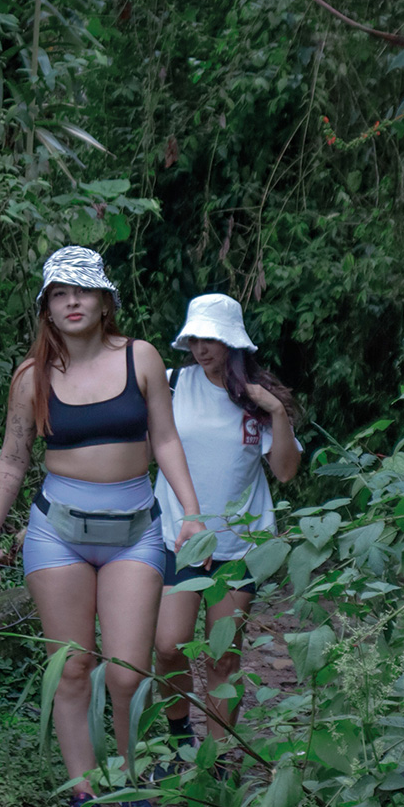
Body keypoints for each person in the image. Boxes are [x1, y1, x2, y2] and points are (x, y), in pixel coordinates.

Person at [0, 246, 206, 807]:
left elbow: (167, 441)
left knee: (127, 671)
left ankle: (132, 783)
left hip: (134, 529)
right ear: (47, 309)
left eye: (83, 290)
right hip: (58, 533)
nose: (72, 301)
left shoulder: (143, 358)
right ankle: (84, 797)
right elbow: (13, 459)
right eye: (59, 293)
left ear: (105, 301)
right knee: (73, 667)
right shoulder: (31, 377)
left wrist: (192, 513)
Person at [153, 293, 301, 773]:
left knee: (222, 658)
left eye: (211, 338)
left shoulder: (256, 398)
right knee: (168, 645)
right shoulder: (172, 385)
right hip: (178, 535)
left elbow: (283, 472)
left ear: (232, 340)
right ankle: (180, 742)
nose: (201, 347)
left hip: (238, 545)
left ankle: (215, 762)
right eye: (195, 337)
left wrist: (277, 413)